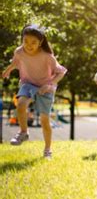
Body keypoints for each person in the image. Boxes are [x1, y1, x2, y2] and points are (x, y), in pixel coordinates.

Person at [2, 24, 67, 159]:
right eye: (25, 41)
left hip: (45, 87)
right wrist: (8, 70)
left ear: (40, 42)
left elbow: (61, 72)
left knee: (44, 121)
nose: (29, 45)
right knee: (21, 104)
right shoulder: (19, 51)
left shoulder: (47, 56)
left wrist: (50, 84)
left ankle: (47, 149)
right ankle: (23, 132)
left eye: (33, 42)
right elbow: (15, 62)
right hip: (28, 83)